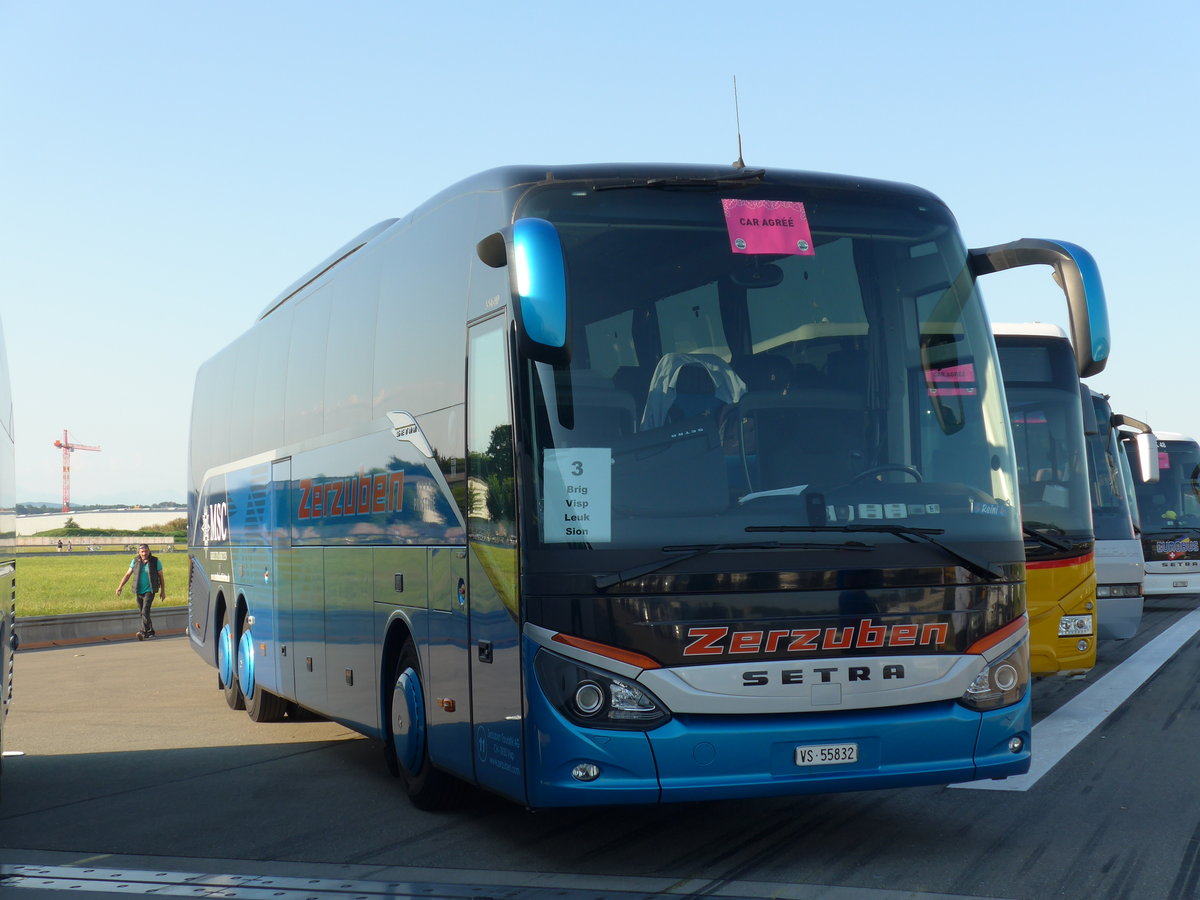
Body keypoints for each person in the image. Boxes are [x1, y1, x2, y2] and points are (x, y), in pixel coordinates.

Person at [116, 543, 166, 640]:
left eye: (146, 551)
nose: (144, 553)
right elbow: (128, 574)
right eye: (142, 552)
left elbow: (161, 577)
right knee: (143, 612)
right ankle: (150, 632)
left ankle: (142, 632)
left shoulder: (155, 561)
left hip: (150, 590)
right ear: (139, 552)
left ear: (149, 551)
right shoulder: (135, 561)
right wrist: (120, 586)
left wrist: (163, 591)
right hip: (139, 591)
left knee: (145, 610)